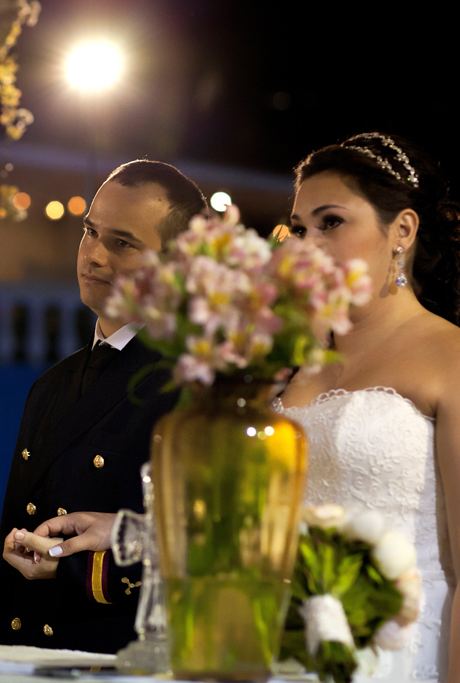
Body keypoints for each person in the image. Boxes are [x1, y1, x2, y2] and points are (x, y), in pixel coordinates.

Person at [31, 133, 460, 682]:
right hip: (279, 652)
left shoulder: (448, 358)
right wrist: (130, 530)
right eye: (300, 229)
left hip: (402, 657)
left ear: (402, 230)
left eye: (332, 223)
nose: (309, 246)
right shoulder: (292, 362)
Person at [0, 161, 207, 653]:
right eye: (90, 232)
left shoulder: (194, 386)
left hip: (115, 660)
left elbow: (211, 555)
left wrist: (75, 567)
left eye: (123, 243)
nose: (94, 256)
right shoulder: (49, 385)